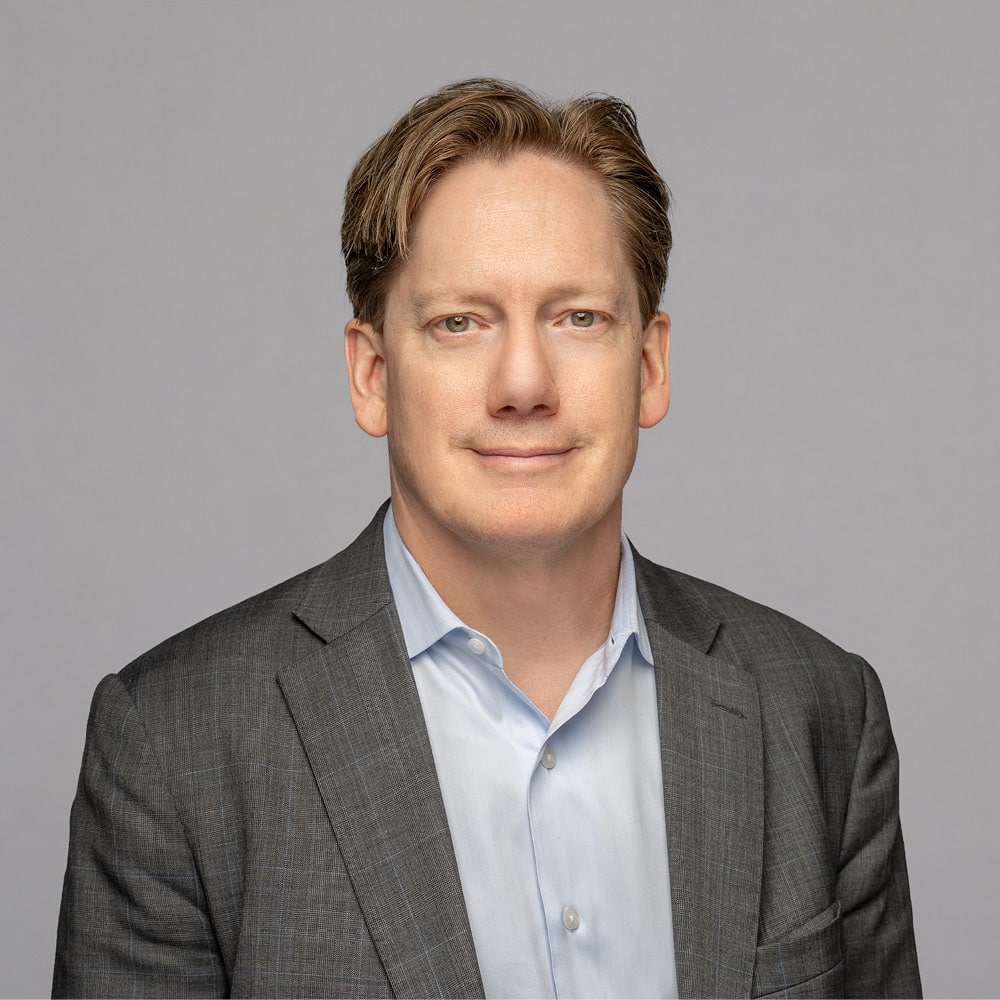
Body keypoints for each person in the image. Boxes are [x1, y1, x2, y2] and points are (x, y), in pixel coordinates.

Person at [53, 78, 920, 999]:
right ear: (373, 375)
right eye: (460, 323)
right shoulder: (175, 744)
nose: (523, 383)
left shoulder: (819, 711)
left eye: (577, 317)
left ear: (651, 365)